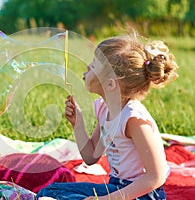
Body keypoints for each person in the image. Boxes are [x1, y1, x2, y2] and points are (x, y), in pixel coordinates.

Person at [36, 33, 179, 200]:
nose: (88, 67)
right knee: (51, 192)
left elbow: (156, 177)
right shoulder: (104, 109)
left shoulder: (134, 120)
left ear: (110, 84)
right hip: (116, 186)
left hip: (143, 194)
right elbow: (90, 157)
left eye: (94, 65)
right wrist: (78, 124)